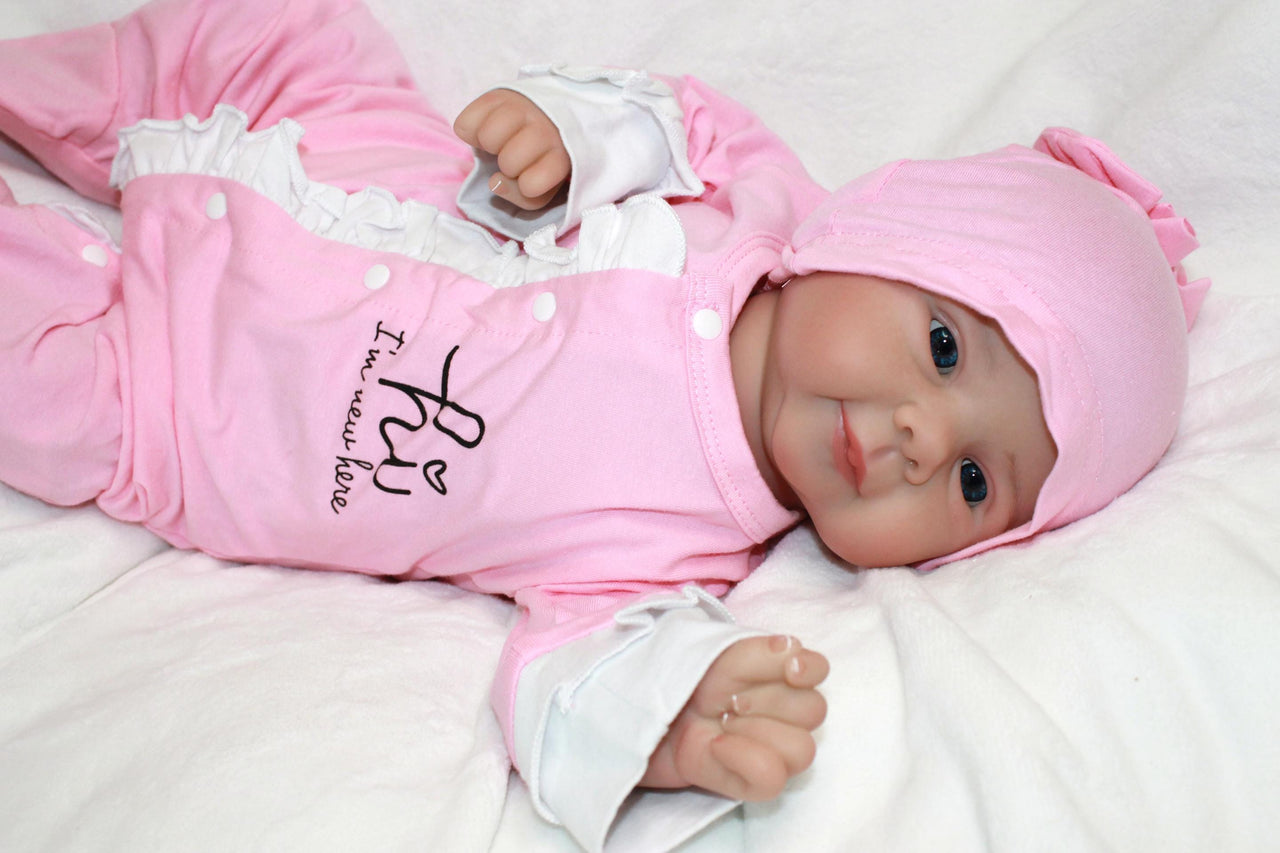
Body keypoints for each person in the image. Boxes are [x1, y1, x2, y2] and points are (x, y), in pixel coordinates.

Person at [0, 0, 1207, 849]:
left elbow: (574, 674)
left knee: (37, 394)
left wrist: (669, 726)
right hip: (322, 143)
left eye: (973, 485)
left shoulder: (678, 553)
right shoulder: (755, 195)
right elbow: (666, 116)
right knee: (274, 30)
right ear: (877, 234)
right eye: (942, 348)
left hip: (187, 401)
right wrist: (568, 135)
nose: (914, 440)